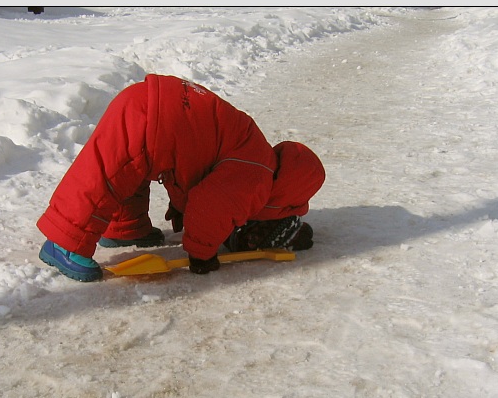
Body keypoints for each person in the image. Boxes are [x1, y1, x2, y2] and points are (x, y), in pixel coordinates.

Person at [37, 74, 325, 281]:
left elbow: (197, 169)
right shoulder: (257, 177)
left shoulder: (254, 151)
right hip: (156, 117)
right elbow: (211, 205)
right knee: (107, 174)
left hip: (161, 107)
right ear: (287, 194)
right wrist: (202, 253)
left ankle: (124, 228)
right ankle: (64, 241)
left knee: (128, 173)